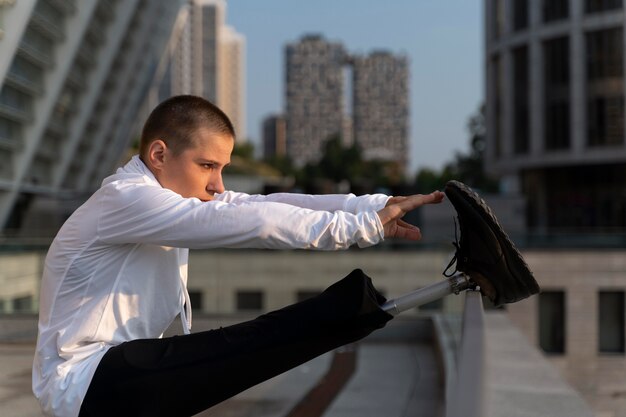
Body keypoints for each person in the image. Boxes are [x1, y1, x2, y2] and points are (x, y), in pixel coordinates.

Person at [32, 95, 444, 417]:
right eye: (207, 165)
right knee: (252, 342)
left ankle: (359, 307)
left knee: (256, 343)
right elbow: (251, 221)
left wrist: (373, 206)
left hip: (115, 376)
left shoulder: (154, 197)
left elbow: (259, 203)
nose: (217, 184)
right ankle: (362, 305)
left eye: (223, 168)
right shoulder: (127, 199)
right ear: (158, 155)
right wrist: (361, 228)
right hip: (85, 381)